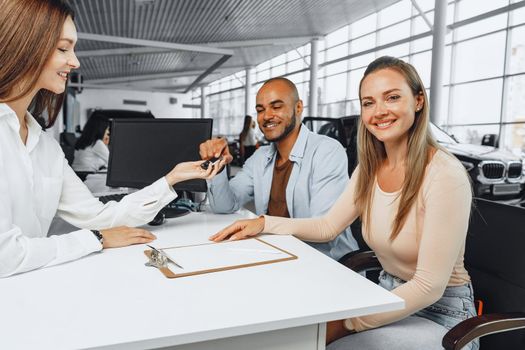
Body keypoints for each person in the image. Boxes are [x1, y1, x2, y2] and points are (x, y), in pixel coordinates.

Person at [210, 57, 479, 350]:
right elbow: (327, 226)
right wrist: (263, 223)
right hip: (385, 293)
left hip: (441, 316)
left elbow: (428, 287)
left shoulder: (444, 174)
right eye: (368, 102)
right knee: (292, 330)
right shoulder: (371, 168)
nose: (379, 111)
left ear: (417, 101)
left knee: (323, 345)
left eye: (392, 97)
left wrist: (349, 323)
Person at [0, 0, 222, 277]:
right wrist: (95, 239)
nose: (75, 61)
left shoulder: (45, 146)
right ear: (24, 46)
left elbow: (100, 216)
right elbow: (4, 256)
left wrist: (172, 179)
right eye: (63, 48)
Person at [200, 77, 357, 261]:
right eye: (260, 110)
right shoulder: (260, 157)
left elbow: (324, 229)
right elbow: (224, 206)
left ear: (298, 108)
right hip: (277, 256)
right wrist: (217, 164)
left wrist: (263, 224)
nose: (266, 116)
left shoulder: (326, 151)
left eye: (276, 107)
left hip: (325, 263)